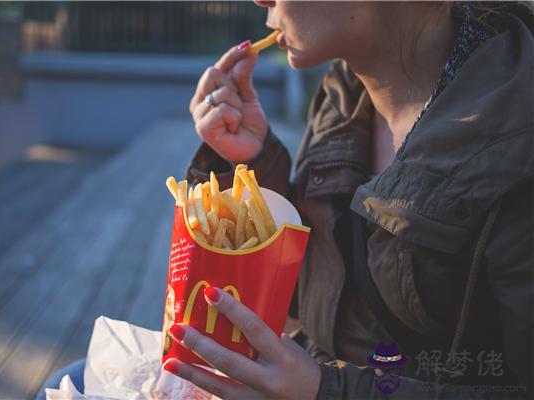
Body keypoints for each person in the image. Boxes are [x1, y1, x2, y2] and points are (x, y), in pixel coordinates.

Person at [38, 2, 533, 399]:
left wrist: (321, 389)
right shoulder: (343, 93)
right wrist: (252, 161)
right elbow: (323, 298)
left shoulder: (517, 139)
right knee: (73, 380)